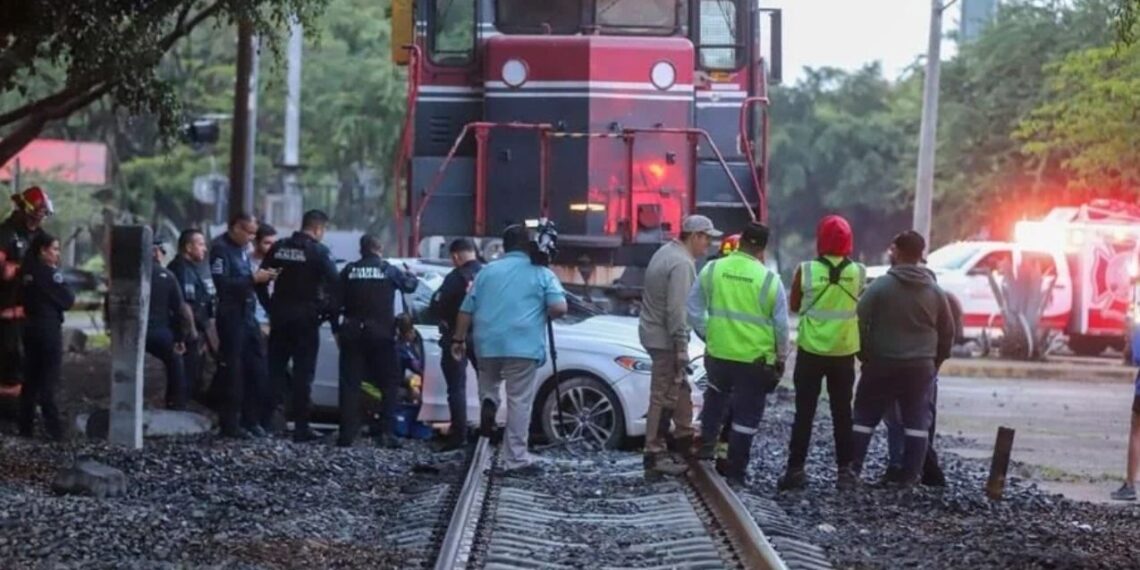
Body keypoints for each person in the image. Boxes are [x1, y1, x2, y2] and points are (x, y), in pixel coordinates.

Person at [450, 225, 568, 474]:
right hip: (523, 346)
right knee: (519, 401)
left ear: (504, 246)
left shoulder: (486, 272)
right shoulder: (541, 273)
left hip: (487, 344)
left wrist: (458, 340)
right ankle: (515, 458)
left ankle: (489, 401)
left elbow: (465, 309)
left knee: (489, 384)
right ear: (529, 245)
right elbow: (559, 307)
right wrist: (540, 313)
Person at [849, 230, 954, 487]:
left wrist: (865, 354)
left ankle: (852, 471)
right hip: (920, 367)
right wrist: (934, 362)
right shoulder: (935, 291)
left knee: (864, 416)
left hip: (881, 363)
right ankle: (909, 478)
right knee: (917, 422)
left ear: (895, 251)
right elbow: (948, 331)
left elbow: (858, 321)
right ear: (921, 255)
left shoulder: (880, 287)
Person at [689, 222, 789, 486]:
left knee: (715, 400)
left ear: (741, 240)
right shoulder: (770, 280)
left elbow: (694, 309)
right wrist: (781, 357)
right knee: (746, 416)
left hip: (719, 355)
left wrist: (708, 335)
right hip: (754, 362)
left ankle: (707, 449)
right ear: (763, 249)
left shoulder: (712, 269)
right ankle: (735, 470)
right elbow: (781, 326)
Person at [778, 215, 865, 491]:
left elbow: (793, 305)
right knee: (842, 413)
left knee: (804, 412)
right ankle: (845, 472)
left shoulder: (806, 270)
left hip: (811, 351)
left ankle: (795, 470)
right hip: (843, 352)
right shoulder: (859, 272)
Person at [638, 215, 721, 479]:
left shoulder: (666, 252)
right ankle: (655, 453)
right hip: (665, 339)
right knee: (663, 395)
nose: (708, 245)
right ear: (694, 236)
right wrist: (681, 346)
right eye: (706, 238)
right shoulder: (683, 264)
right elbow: (677, 311)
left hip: (652, 332)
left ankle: (685, 438)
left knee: (679, 385)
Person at [258, 210, 339, 442]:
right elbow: (336, 286)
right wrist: (326, 314)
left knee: (274, 370)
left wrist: (270, 306)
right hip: (306, 320)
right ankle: (301, 428)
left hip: (281, 317)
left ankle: (265, 424)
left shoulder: (280, 248)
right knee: (304, 375)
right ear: (318, 229)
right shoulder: (319, 252)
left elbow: (260, 279)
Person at [335, 234, 419, 448]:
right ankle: (386, 433)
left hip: (353, 333)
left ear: (361, 249)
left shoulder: (349, 270)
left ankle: (347, 435)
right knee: (389, 384)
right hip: (382, 334)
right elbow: (410, 286)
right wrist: (412, 275)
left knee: (350, 384)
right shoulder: (387, 269)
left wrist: (338, 330)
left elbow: (333, 303)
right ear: (379, 248)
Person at [883, 291, 963, 487]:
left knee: (898, 419)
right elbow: (950, 337)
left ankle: (903, 467)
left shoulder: (913, 302)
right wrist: (935, 364)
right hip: (927, 367)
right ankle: (918, 468)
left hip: (908, 365)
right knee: (923, 419)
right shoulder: (946, 301)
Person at [210, 213, 278, 439]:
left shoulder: (243, 250)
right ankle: (230, 423)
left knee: (258, 367)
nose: (251, 238)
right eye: (248, 232)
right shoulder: (220, 249)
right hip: (231, 315)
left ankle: (252, 419)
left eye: (253, 233)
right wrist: (252, 280)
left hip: (249, 315)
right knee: (234, 370)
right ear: (235, 228)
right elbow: (223, 284)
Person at [429, 238, 484, 452]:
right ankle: (488, 432)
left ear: (455, 256)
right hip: (484, 337)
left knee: (456, 387)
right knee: (487, 386)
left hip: (456, 337)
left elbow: (437, 305)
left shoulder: (455, 277)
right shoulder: (489, 274)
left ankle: (458, 436)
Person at [18, 232, 73, 440]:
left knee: (30, 379)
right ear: (43, 250)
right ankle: (55, 431)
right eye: (55, 249)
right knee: (48, 379)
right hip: (48, 329)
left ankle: (25, 428)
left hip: (29, 327)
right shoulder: (50, 274)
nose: (57, 254)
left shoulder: (26, 271)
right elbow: (68, 299)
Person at [0, 186, 51, 394]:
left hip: (32, 308)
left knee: (33, 357)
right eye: (38, 210)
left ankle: (24, 403)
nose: (40, 216)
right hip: (7, 307)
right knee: (10, 355)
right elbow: (4, 271)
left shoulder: (41, 237)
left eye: (44, 211)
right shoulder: (7, 232)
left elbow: (50, 265)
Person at [167, 229, 215, 403]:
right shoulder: (181, 269)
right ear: (188, 247)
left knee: (196, 373)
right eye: (200, 244)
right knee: (187, 373)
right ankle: (180, 409)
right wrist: (193, 332)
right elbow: (185, 304)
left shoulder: (192, 268)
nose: (205, 249)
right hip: (185, 333)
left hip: (196, 330)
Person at [146, 240, 194, 410]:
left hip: (132, 334)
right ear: (156, 252)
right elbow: (181, 311)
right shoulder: (167, 276)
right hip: (160, 333)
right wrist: (181, 338)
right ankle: (176, 404)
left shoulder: (129, 276)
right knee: (175, 362)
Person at [251, 223, 277, 328]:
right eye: (267, 243)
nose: (272, 247)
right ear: (256, 242)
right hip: (252, 315)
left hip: (272, 314)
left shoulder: (278, 262)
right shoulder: (245, 261)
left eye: (274, 244)